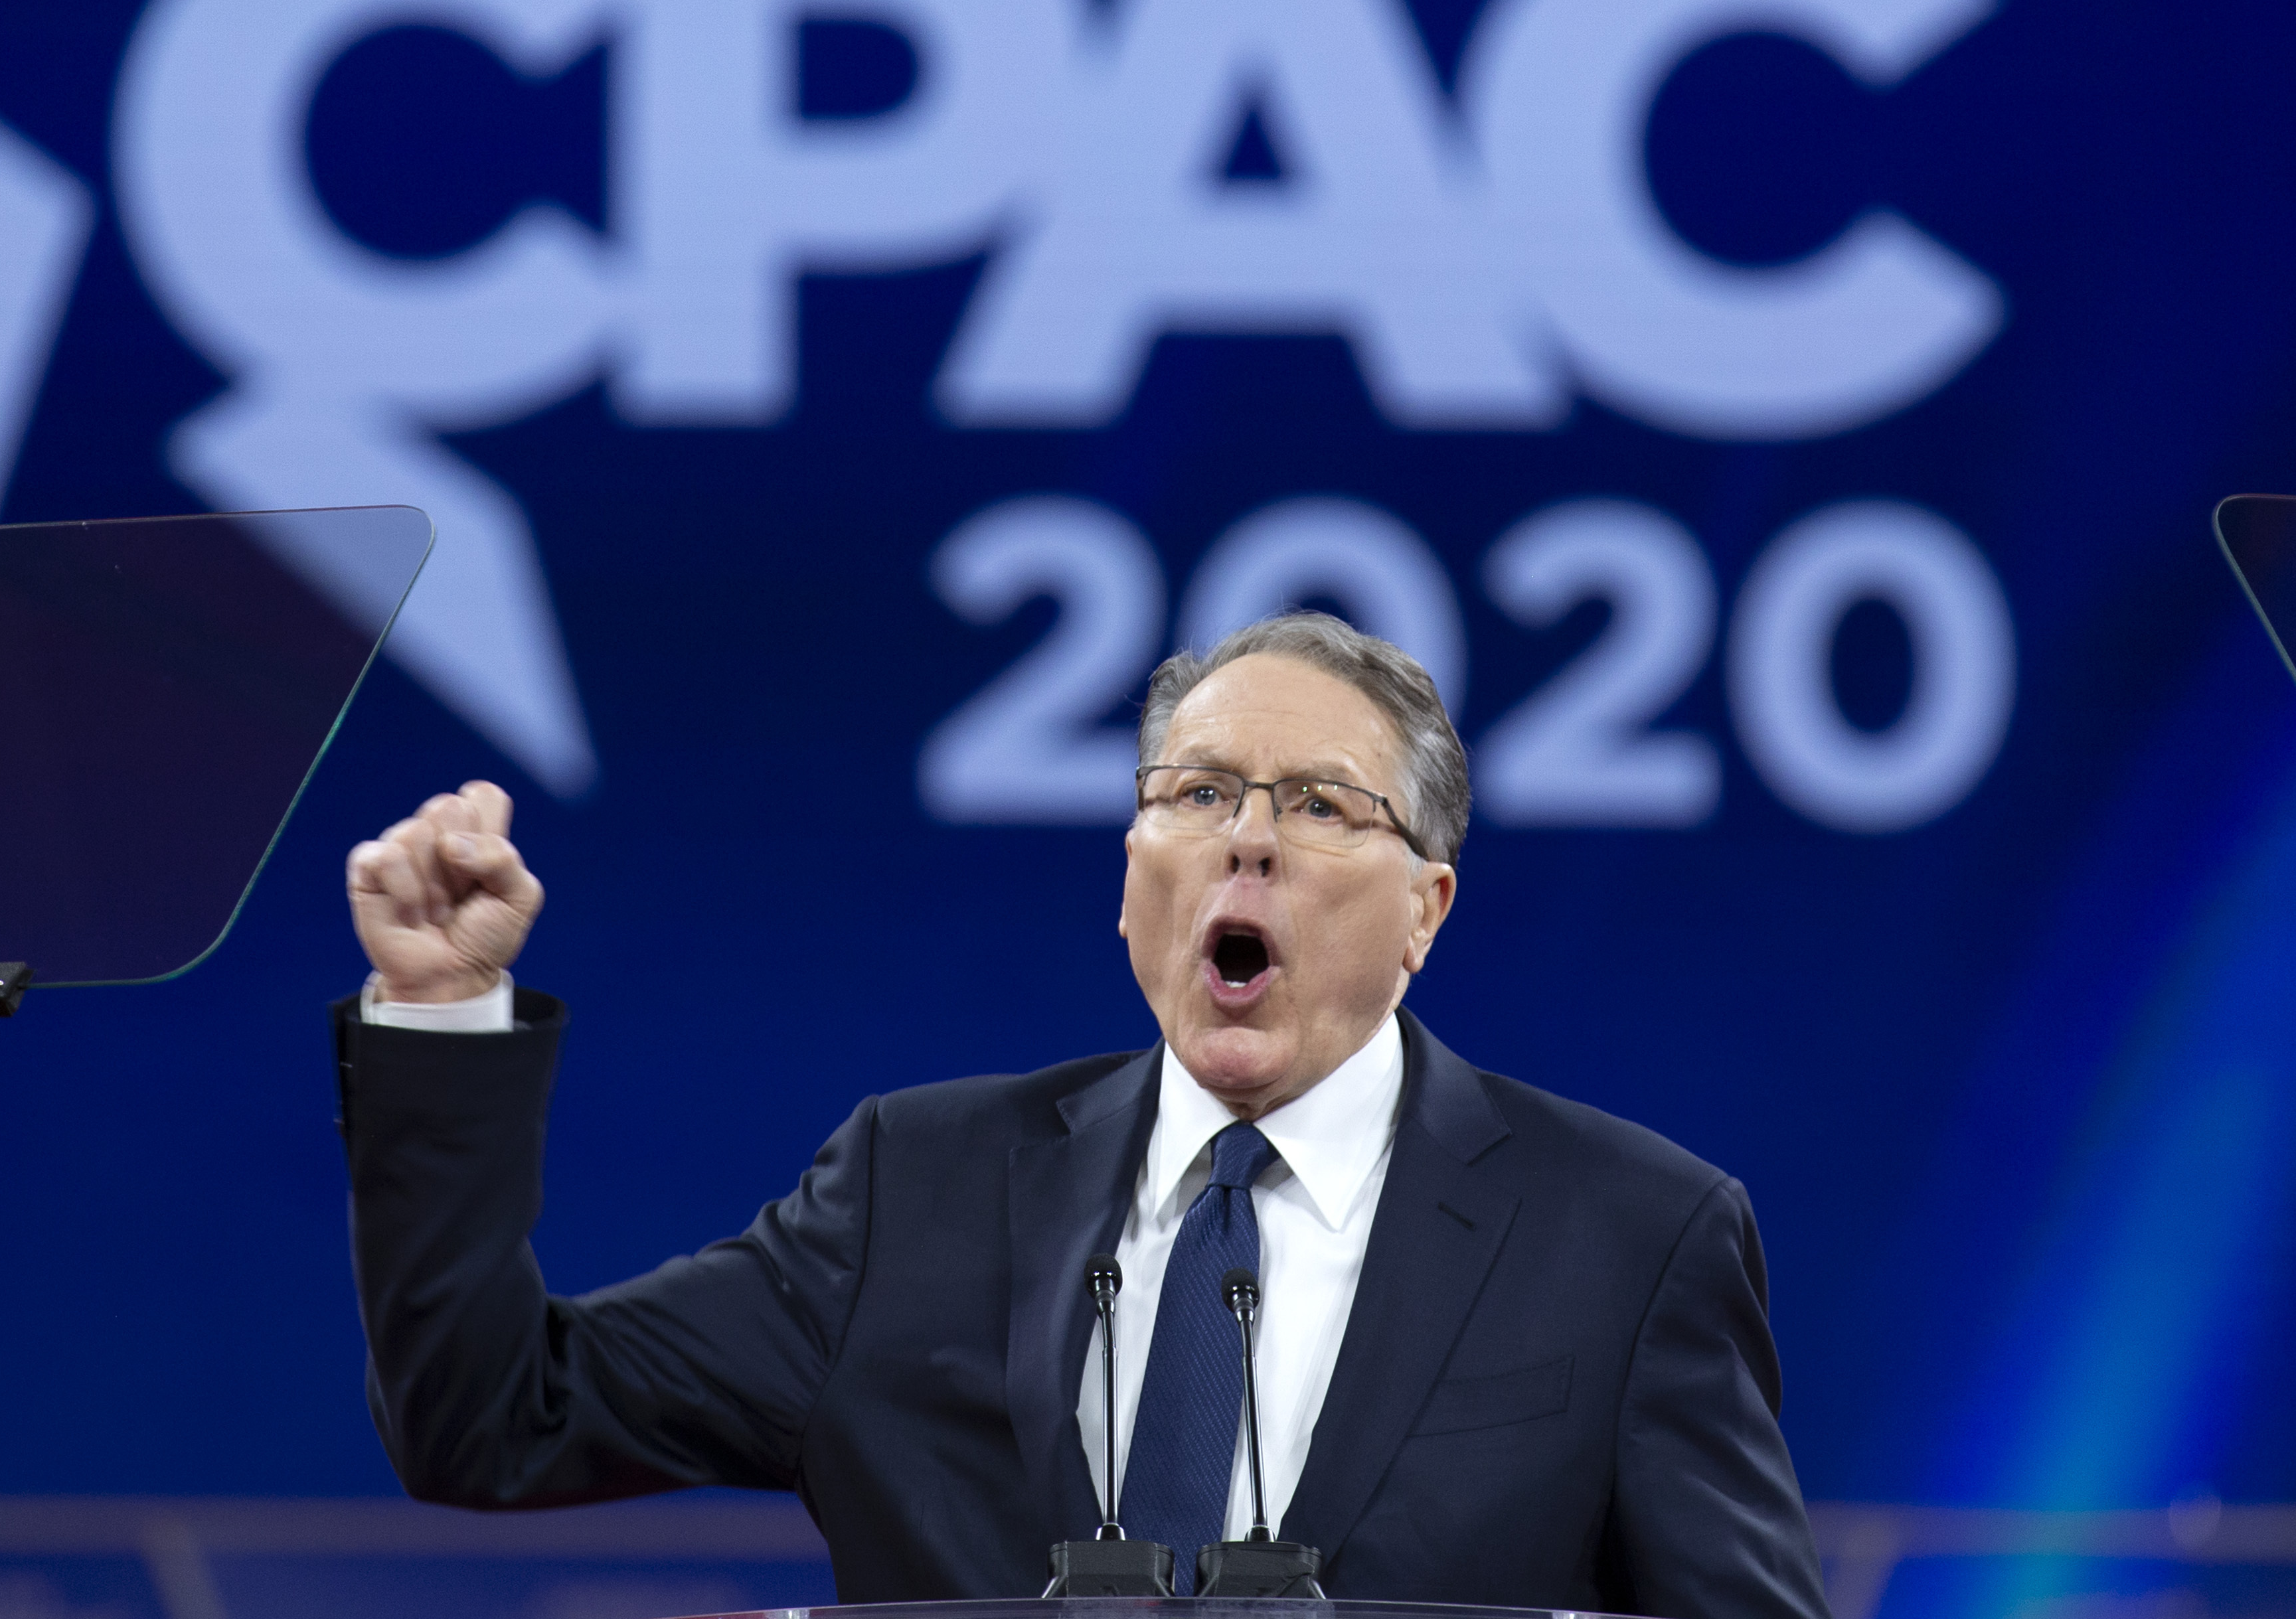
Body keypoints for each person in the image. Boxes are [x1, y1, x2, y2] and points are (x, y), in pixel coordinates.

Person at [337, 611, 1829, 1618]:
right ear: (1133, 879)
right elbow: (493, 1418)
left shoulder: (1628, 1234)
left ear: (1426, 906)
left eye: (1318, 805)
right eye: (1196, 793)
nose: (1246, 837)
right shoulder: (912, 1187)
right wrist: (440, 1010)